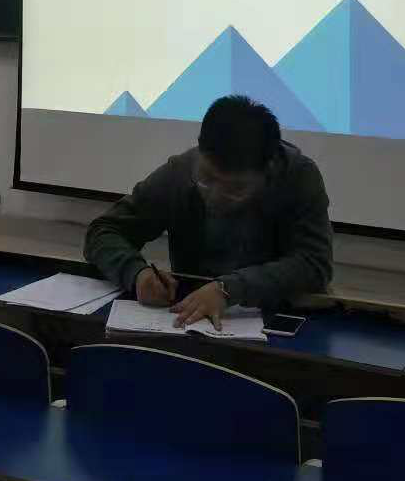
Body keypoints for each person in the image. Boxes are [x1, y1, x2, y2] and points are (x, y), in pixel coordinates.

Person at [84, 95, 333, 330]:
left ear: (269, 169)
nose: (213, 196)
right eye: (206, 179)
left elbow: (314, 263)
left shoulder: (299, 178)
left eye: (234, 189)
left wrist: (229, 289)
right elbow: (103, 231)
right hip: (189, 321)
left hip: (272, 321)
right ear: (200, 150)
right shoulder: (181, 172)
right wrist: (136, 273)